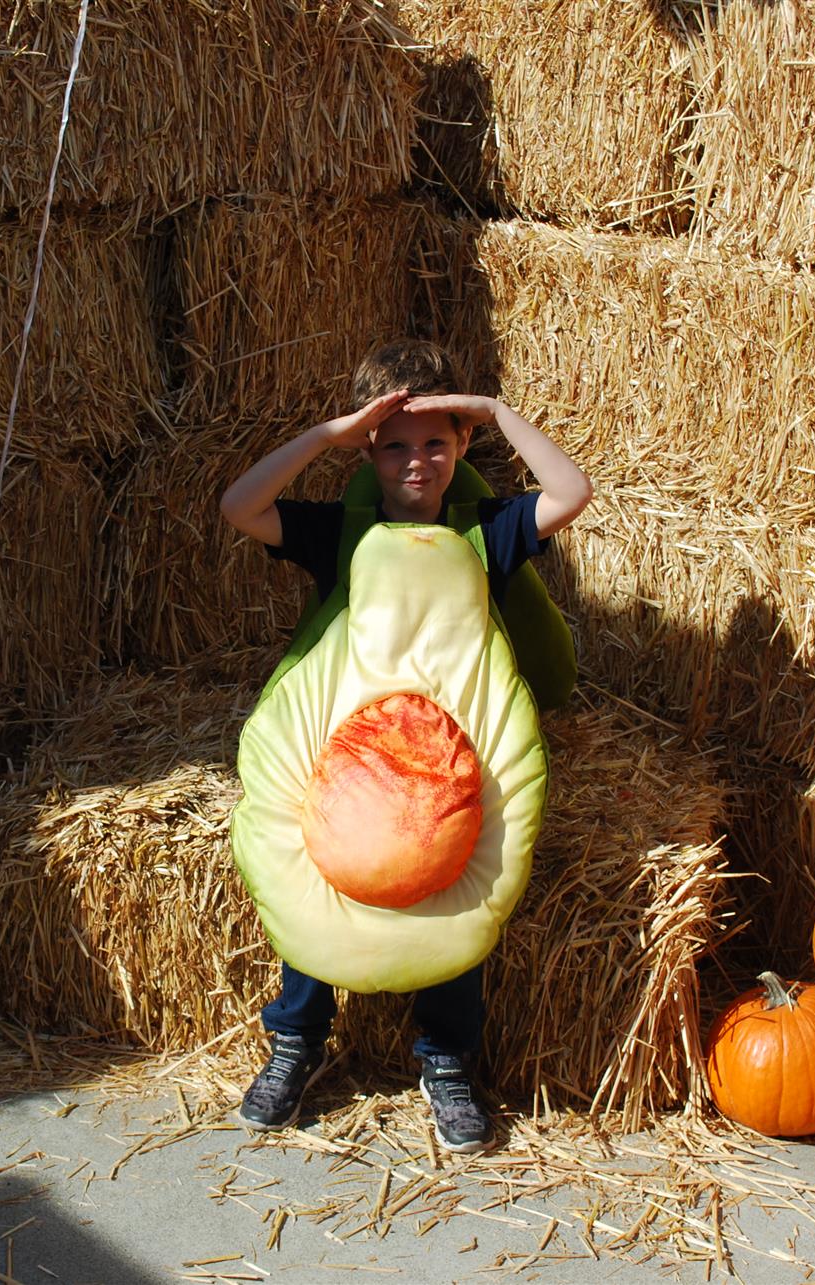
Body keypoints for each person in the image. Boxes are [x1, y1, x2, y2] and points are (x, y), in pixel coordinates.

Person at [217, 338, 593, 1152]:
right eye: (395, 445)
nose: (416, 462)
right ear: (371, 452)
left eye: (435, 442)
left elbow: (571, 490)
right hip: (355, 751)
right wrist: (329, 433)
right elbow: (239, 507)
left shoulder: (489, 531)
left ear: (459, 446)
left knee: (456, 865)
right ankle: (296, 1039)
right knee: (324, 862)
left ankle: (448, 1058)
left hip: (447, 755)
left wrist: (489, 411)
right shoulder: (339, 535)